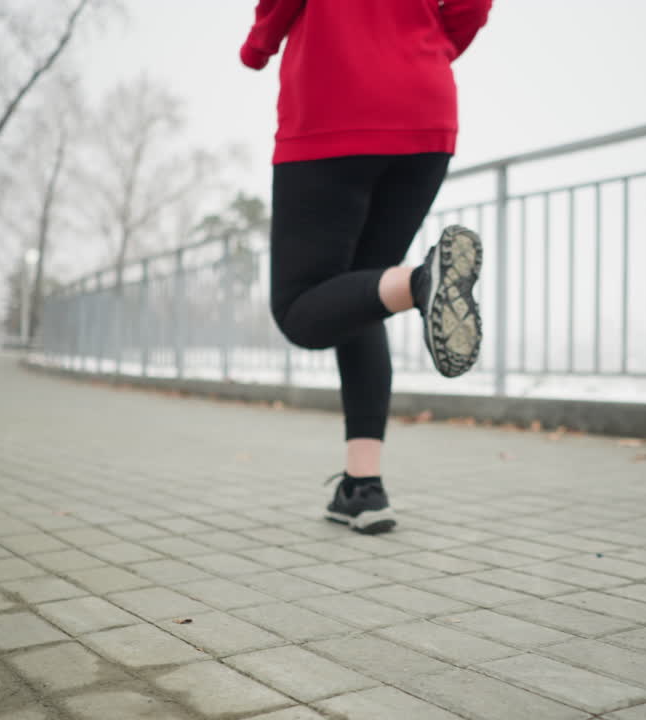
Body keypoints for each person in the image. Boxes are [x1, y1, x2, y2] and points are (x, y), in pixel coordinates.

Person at [241, 0, 492, 534]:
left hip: (334, 108)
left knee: (301, 308)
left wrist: (258, 45)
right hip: (426, 111)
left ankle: (422, 281)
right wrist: (428, 48)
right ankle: (363, 487)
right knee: (364, 293)